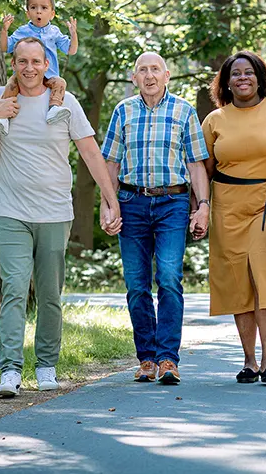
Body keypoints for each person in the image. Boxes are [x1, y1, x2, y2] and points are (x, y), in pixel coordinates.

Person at [0, 37, 120, 398]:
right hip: (11, 211)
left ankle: (46, 366)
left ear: (46, 64)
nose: (29, 68)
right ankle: (10, 372)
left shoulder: (65, 103)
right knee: (14, 289)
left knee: (51, 294)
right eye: (22, 61)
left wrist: (109, 199)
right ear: (13, 64)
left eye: (36, 61)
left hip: (55, 212)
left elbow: (89, 151)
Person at [101, 52, 211, 385]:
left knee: (167, 277)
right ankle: (146, 359)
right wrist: (109, 205)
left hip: (172, 203)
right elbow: (110, 165)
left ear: (166, 76)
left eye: (154, 70)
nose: (149, 75)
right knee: (136, 284)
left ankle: (168, 359)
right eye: (142, 70)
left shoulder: (184, 111)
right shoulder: (123, 111)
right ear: (134, 78)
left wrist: (202, 205)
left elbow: (196, 165)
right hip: (131, 201)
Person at [202, 51, 266, 387]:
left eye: (249, 73)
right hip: (227, 205)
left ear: (260, 78)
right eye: (235, 74)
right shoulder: (215, 120)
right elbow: (204, 171)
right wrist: (200, 207)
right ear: (226, 82)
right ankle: (248, 360)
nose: (242, 78)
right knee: (237, 280)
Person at [0, 0, 78, 135]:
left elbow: (71, 50)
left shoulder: (55, 32)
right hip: (25, 75)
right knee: (11, 85)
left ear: (52, 14)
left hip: (48, 75)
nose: (38, 12)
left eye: (44, 8)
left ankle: (54, 109)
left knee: (60, 83)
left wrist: (73, 34)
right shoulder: (22, 31)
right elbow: (5, 47)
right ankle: (3, 118)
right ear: (27, 13)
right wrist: (4, 31)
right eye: (33, 7)